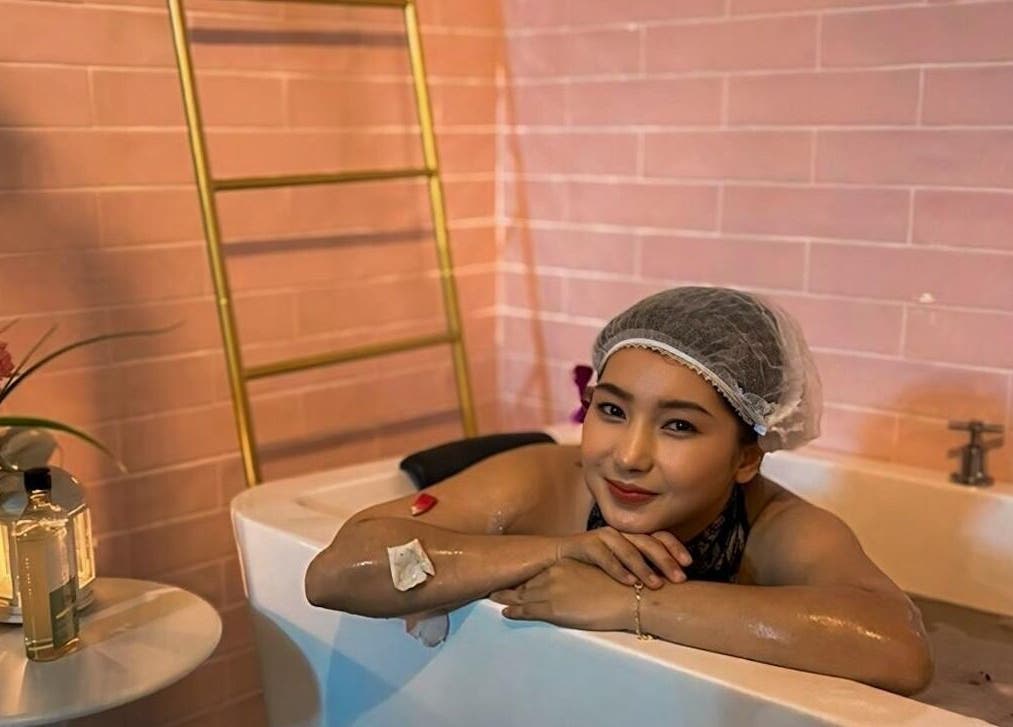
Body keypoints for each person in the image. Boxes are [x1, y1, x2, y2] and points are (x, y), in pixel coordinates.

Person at [304, 286, 933, 696]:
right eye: (611, 411)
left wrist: (631, 606)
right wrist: (554, 553)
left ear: (747, 456)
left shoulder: (778, 528)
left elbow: (899, 648)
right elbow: (335, 571)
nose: (628, 457)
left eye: (679, 426)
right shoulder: (550, 480)